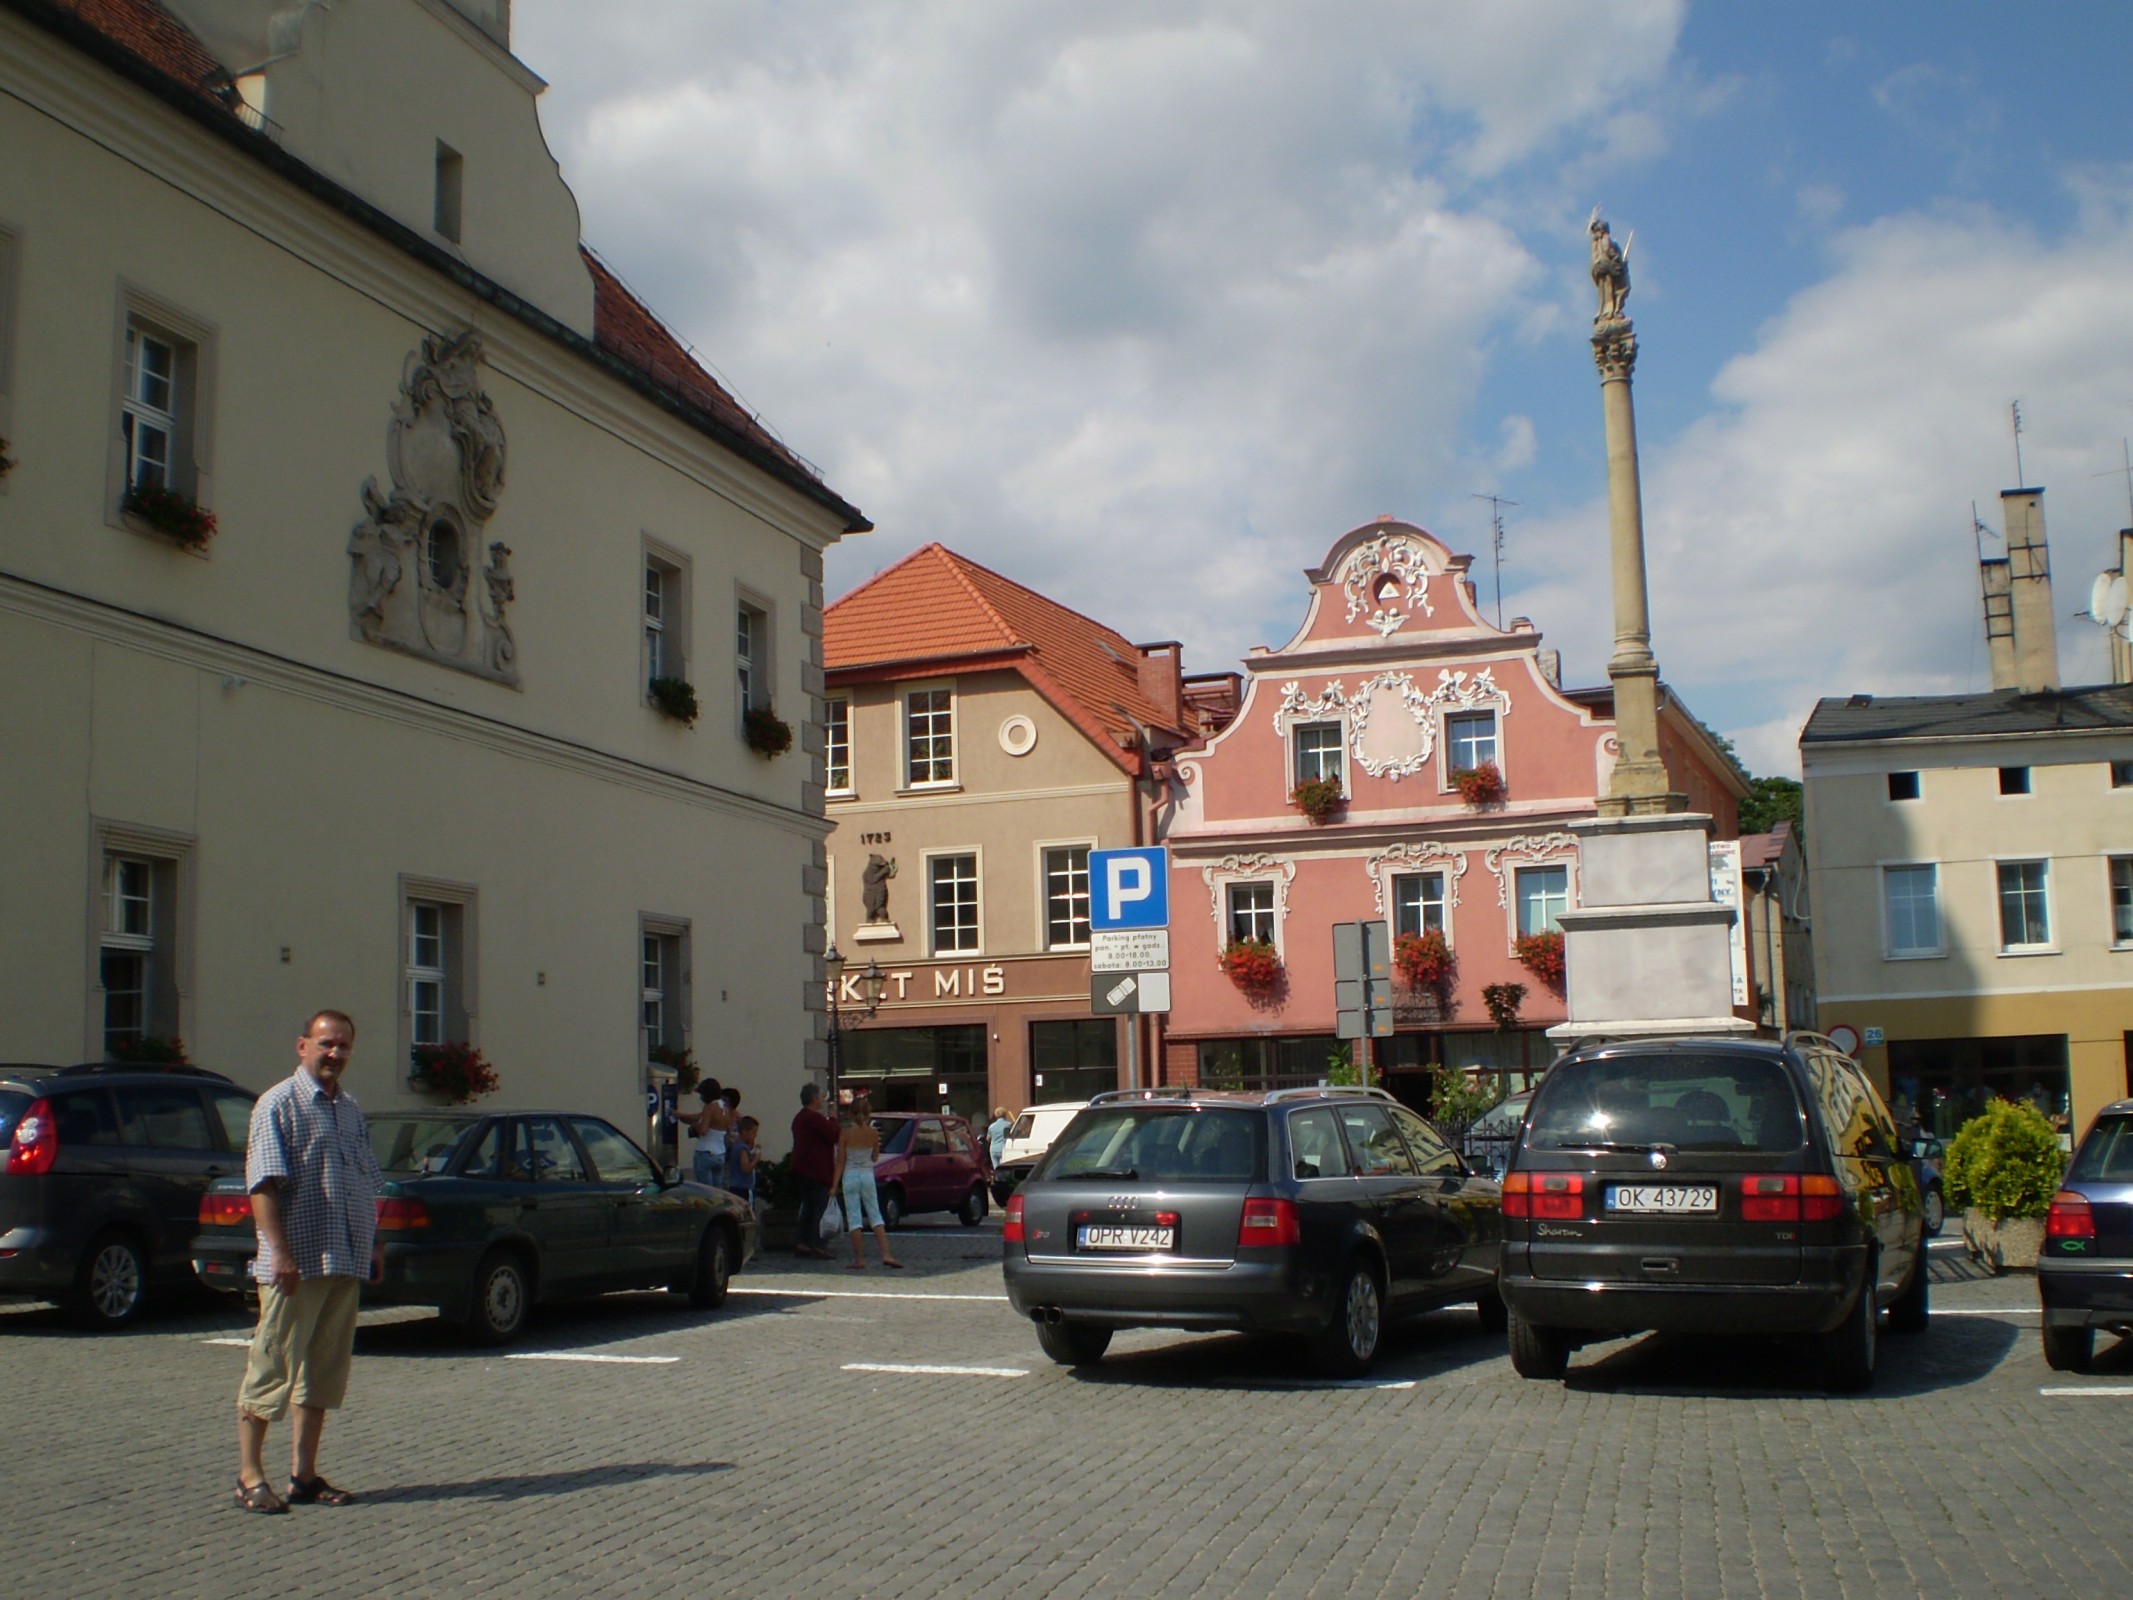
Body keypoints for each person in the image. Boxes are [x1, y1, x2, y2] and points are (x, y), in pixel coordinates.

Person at [232, 1009, 383, 1514]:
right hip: (296, 1265)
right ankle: (249, 1476)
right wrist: (278, 1251)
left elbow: (366, 1182)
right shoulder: (278, 1104)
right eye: (326, 1044)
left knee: (322, 1374)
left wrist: (374, 1244)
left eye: (343, 1045)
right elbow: (263, 1184)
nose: (335, 1053)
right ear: (303, 1046)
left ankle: (305, 1476)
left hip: (343, 1260)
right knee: (271, 1368)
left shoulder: (350, 1110)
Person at [832, 1095, 903, 1271]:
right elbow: (875, 1157)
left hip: (850, 1176)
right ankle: (886, 1254)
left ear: (850, 1114)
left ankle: (859, 1259)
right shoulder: (873, 1133)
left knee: (854, 1218)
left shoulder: (845, 1133)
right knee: (875, 1215)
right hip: (867, 1175)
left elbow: (840, 1161)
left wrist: (833, 1185)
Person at [790, 1083, 839, 1260]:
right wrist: (833, 1118)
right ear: (813, 1098)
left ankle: (802, 1242)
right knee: (819, 1207)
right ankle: (818, 1244)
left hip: (802, 1169)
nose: (822, 1100)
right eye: (820, 1096)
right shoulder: (814, 1118)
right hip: (817, 1169)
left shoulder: (799, 1118)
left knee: (808, 1207)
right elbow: (834, 1135)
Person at [680, 1077, 732, 1188]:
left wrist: (694, 1126)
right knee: (717, 1190)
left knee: (705, 1190)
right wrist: (681, 1116)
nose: (701, 1098)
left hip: (705, 1152)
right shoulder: (725, 1108)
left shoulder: (709, 1107)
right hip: (720, 1154)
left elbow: (703, 1130)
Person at [727, 1116, 762, 1215]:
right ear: (744, 1132)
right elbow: (746, 1169)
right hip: (744, 1188)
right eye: (753, 1133)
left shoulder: (736, 1146)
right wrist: (756, 1159)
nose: (755, 1135)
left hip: (735, 1186)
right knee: (747, 1214)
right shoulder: (742, 1149)